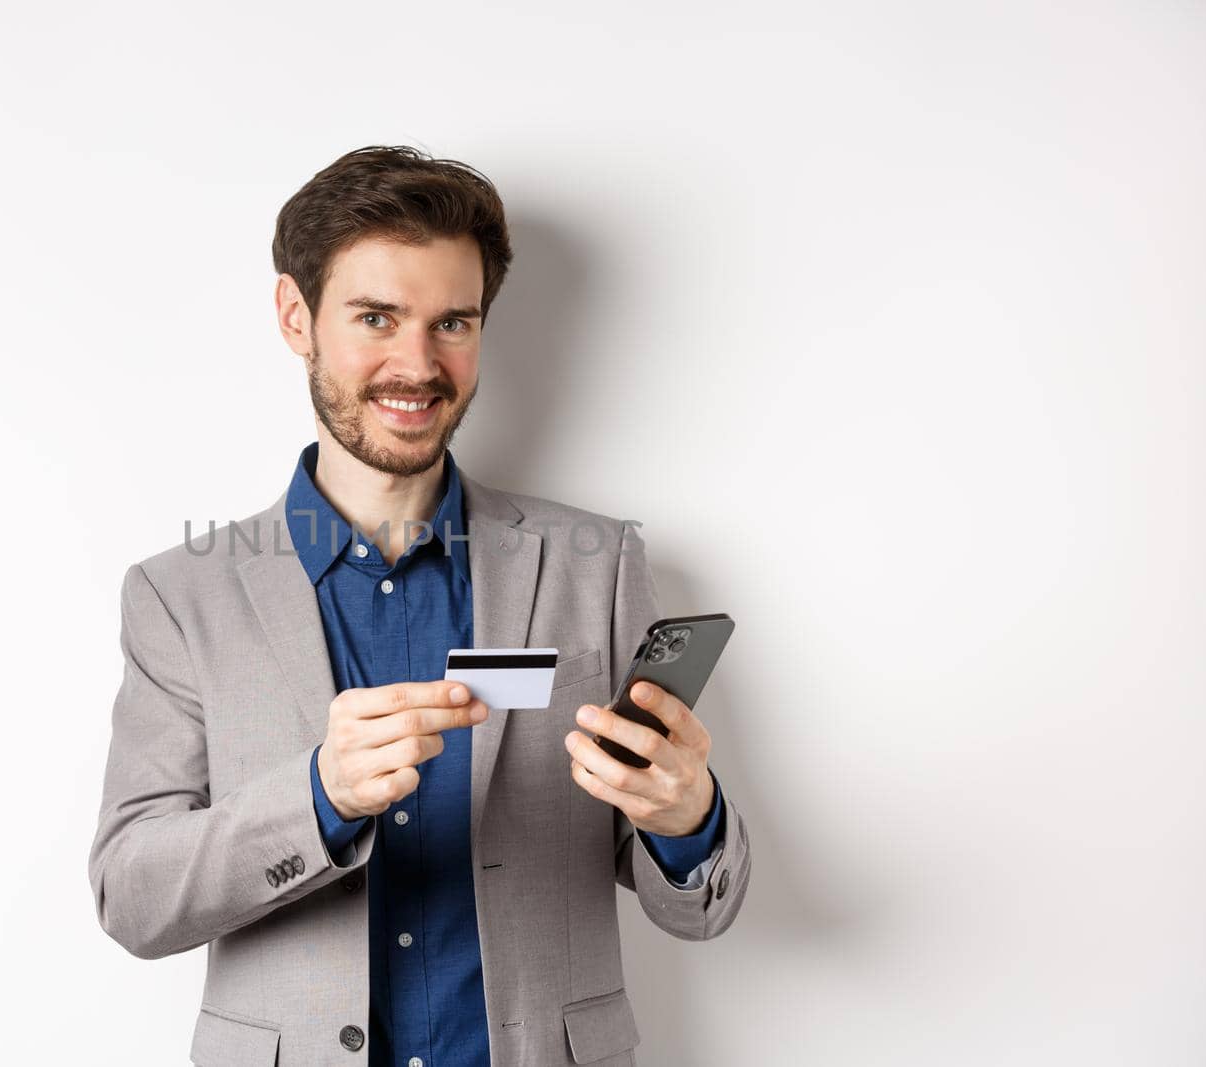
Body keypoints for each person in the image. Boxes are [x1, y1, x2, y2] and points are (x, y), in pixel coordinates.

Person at [87, 145, 751, 1067]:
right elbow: (133, 896)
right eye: (375, 317)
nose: (418, 363)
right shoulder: (179, 595)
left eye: (453, 322)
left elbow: (703, 905)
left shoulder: (596, 566)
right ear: (296, 317)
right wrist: (318, 797)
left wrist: (686, 818)